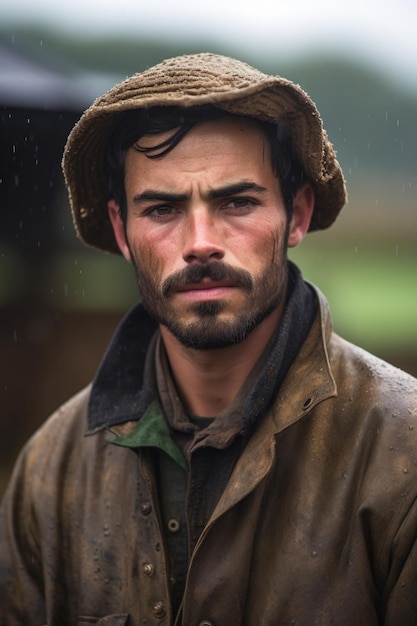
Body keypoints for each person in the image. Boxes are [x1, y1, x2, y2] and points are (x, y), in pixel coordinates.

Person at [1, 52, 417, 626]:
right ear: (122, 231)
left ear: (296, 215)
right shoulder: (53, 469)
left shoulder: (405, 455)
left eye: (237, 202)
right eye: (164, 208)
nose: (201, 242)